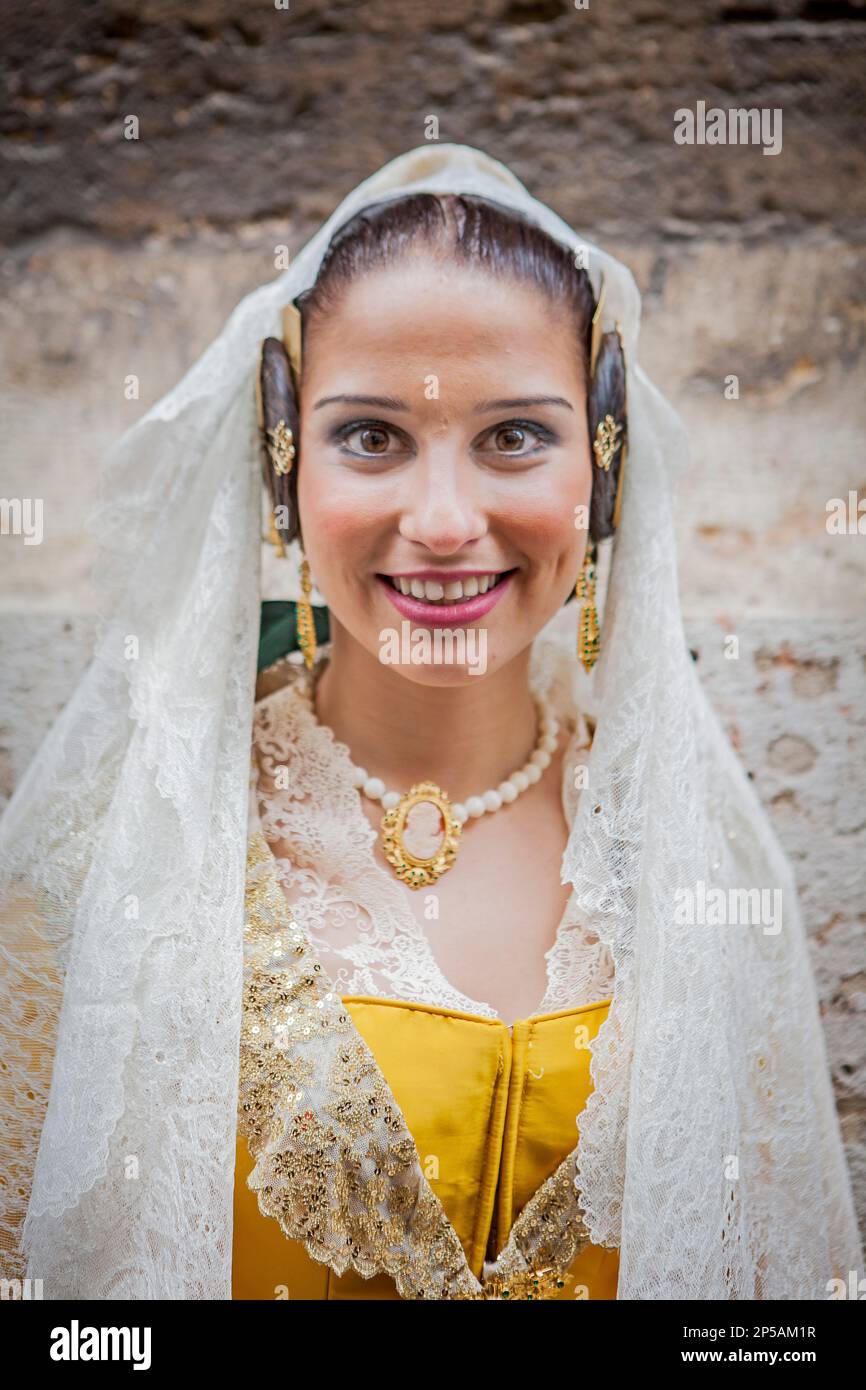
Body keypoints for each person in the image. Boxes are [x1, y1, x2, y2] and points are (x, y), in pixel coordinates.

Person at [0, 144, 861, 1301]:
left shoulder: (687, 859)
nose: (445, 520)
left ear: (601, 468)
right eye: (371, 436)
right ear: (281, 458)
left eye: (513, 435)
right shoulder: (115, 857)